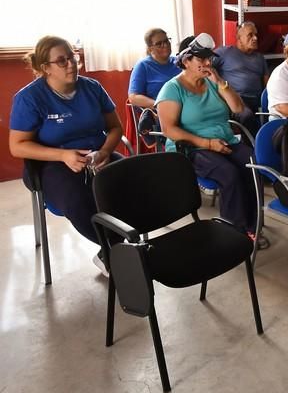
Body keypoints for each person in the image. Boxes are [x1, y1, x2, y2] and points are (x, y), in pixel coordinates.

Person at [9, 35, 124, 275]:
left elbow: (115, 128)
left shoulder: (92, 88)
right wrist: (62, 156)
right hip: (52, 163)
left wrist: (104, 151)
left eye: (72, 56)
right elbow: (18, 146)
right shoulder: (30, 98)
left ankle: (115, 250)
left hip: (97, 156)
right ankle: (117, 251)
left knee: (134, 181)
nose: (71, 64)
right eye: (61, 61)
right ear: (45, 68)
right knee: (80, 199)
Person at [156, 33, 265, 246]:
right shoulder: (173, 88)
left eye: (209, 59)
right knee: (229, 173)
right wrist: (206, 143)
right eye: (201, 59)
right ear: (186, 61)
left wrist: (220, 81)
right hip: (190, 147)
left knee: (253, 164)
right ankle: (235, 230)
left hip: (224, 140)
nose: (207, 63)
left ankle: (253, 223)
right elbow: (168, 129)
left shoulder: (212, 81)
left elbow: (237, 108)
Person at [213, 21, 269, 133]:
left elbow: (268, 84)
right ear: (239, 38)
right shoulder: (224, 53)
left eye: (256, 34)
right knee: (246, 116)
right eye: (250, 35)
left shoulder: (260, 58)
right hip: (235, 100)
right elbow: (206, 67)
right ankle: (253, 147)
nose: (255, 38)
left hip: (256, 102)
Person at [128, 28, 179, 149]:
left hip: (184, 106)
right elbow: (133, 97)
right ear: (150, 48)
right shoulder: (143, 66)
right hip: (161, 113)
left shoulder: (178, 62)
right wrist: (160, 105)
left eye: (167, 41)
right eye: (159, 43)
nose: (165, 45)